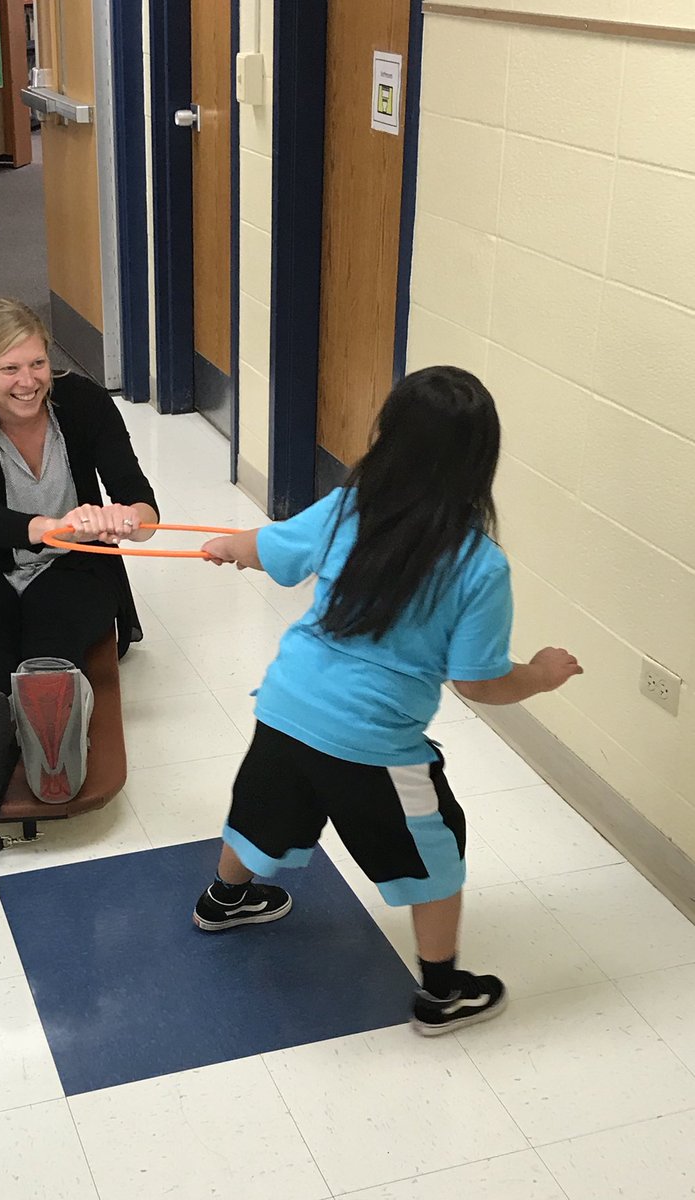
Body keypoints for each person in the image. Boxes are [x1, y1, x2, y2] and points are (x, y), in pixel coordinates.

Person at [191, 365, 583, 1036]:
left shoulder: (349, 507)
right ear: (478, 461)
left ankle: (225, 898)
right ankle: (442, 993)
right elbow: (479, 682)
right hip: (375, 743)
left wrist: (229, 547)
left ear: (389, 438)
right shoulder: (479, 565)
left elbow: (267, 549)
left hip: (286, 707)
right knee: (435, 855)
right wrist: (541, 675)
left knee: (263, 810)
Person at [0, 297, 158, 837]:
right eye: (10, 369)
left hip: (73, 564)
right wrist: (55, 525)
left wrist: (129, 519)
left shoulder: (84, 401)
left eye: (38, 363)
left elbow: (142, 502)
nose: (28, 382)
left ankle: (52, 745)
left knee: (50, 643)